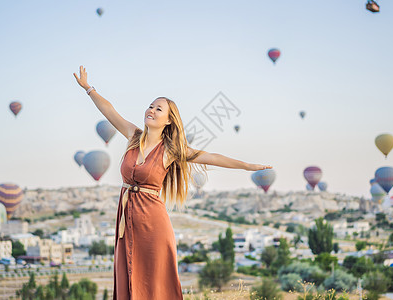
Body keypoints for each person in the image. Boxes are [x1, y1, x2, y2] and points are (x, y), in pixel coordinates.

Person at [73, 66, 272, 299]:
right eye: (150, 105)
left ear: (168, 120)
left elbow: (212, 157)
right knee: (127, 272)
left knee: (156, 278)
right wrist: (89, 88)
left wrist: (248, 166)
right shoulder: (133, 136)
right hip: (126, 219)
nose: (152, 110)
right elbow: (110, 111)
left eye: (159, 109)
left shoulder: (170, 151)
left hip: (153, 223)